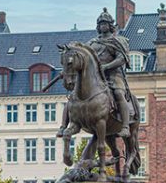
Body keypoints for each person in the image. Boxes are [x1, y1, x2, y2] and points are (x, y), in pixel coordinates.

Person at [57, 8, 133, 139]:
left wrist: (106, 66)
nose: (103, 26)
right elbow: (81, 56)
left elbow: (121, 59)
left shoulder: (117, 41)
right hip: (95, 77)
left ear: (110, 26)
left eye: (105, 23)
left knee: (119, 93)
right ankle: (63, 126)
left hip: (113, 75)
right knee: (73, 97)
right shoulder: (92, 43)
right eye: (101, 24)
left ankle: (125, 126)